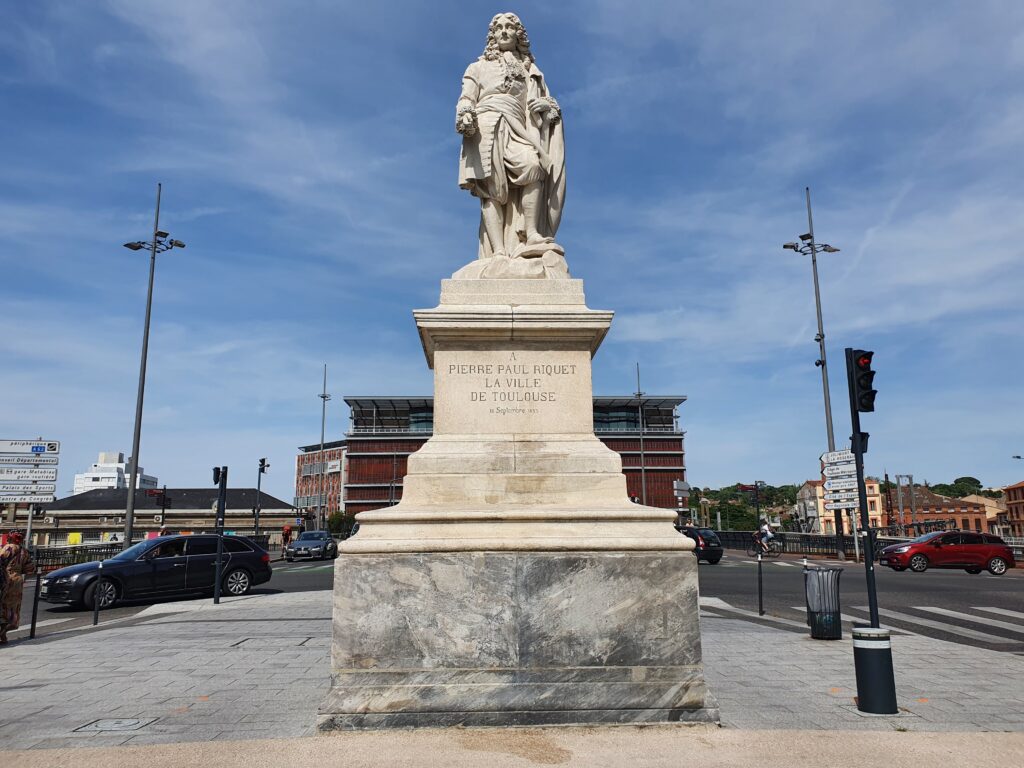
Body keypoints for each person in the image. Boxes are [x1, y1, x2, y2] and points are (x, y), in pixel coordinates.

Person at [456, 12, 566, 262]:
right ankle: (498, 253)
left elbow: (543, 104)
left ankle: (532, 234)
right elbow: (466, 97)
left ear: (519, 34)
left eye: (510, 27)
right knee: (490, 189)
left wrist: (547, 108)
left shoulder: (530, 70)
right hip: (485, 124)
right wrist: (464, 114)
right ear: (492, 35)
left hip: (520, 126)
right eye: (499, 28)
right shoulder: (478, 67)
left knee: (533, 165)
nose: (504, 31)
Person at [0, 531, 36, 644]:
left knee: (3, 605)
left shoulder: (8, 548)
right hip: (18, 581)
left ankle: (1, 634)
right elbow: (30, 569)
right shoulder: (23, 551)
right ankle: (4, 634)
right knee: (13, 607)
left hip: (6, 579)